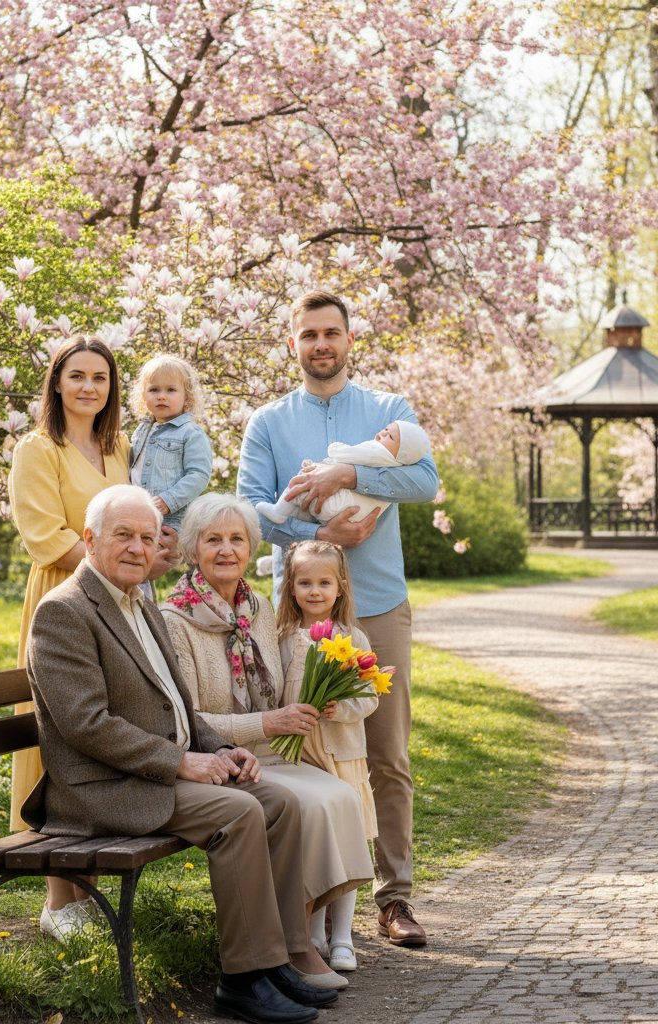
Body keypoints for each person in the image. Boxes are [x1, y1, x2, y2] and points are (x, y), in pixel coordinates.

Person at [21, 484, 337, 1023]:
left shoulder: (138, 602)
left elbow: (179, 705)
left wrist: (221, 748)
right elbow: (85, 725)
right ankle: (242, 978)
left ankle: (278, 959)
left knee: (276, 801)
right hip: (101, 789)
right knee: (240, 812)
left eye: (147, 538)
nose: (137, 548)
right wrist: (180, 761)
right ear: (90, 540)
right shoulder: (66, 612)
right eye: (123, 536)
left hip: (152, 773)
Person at [237, 290, 439, 948]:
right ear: (291, 344)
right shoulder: (267, 422)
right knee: (297, 749)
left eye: (331, 332)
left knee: (385, 755)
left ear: (350, 339)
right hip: (295, 617)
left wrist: (352, 470)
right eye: (308, 334)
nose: (321, 344)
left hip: (377, 606)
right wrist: (319, 529)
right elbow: (249, 507)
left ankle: (394, 899)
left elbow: (424, 481)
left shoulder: (389, 411)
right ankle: (305, 901)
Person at [160, 493, 373, 990]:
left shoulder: (256, 608)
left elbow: (280, 687)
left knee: (338, 795)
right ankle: (294, 945)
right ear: (193, 549)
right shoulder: (174, 620)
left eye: (237, 539)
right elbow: (188, 719)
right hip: (219, 758)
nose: (227, 550)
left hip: (270, 754)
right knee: (311, 802)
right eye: (214, 540)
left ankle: (305, 935)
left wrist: (315, 670)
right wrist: (267, 725)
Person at [8, 335, 174, 940]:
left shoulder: (119, 446)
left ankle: (90, 889)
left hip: (124, 603)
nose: (88, 387)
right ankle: (59, 900)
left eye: (100, 378)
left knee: (116, 720)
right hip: (67, 601)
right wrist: (126, 562)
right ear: (56, 383)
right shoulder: (37, 449)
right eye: (76, 375)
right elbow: (44, 534)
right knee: (63, 733)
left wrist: (151, 551)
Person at [275, 540, 379, 974]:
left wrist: (343, 708)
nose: (314, 591)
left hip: (341, 753)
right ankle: (313, 932)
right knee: (315, 848)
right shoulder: (282, 638)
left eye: (323, 582)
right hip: (302, 758)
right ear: (291, 587)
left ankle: (343, 937)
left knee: (347, 844)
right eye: (304, 582)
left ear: (340, 587)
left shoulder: (352, 637)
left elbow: (369, 695)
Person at [256, 418, 431, 525]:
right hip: (350, 514)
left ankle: (278, 512)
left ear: (402, 453)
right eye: (385, 429)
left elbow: (347, 455)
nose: (381, 435)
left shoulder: (378, 452)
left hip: (337, 506)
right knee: (306, 506)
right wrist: (319, 466)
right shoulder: (396, 466)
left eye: (390, 437)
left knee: (300, 484)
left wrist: (335, 448)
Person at [129, 354, 214, 531]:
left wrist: (169, 500)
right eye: (154, 390)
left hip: (171, 519)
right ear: (143, 396)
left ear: (187, 397)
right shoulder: (142, 430)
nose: (161, 396)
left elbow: (198, 475)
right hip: (137, 514)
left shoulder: (190, 433)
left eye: (170, 390)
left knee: (161, 557)